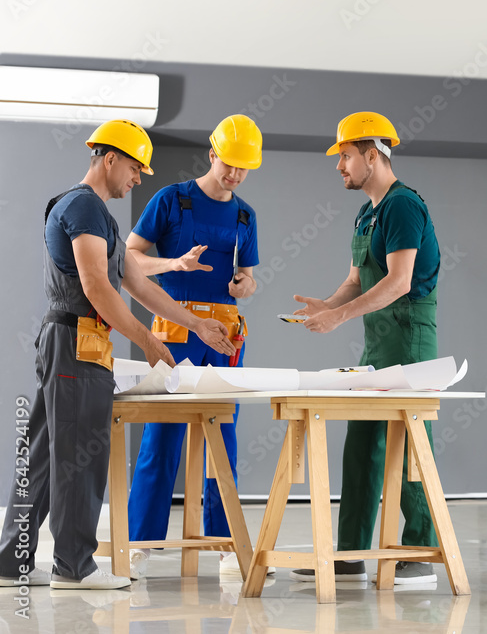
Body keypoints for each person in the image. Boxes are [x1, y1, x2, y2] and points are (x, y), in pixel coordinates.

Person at [0, 120, 235, 590]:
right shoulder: (84, 207)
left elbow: (137, 283)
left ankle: (11, 560)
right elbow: (96, 287)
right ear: (109, 159)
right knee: (77, 454)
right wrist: (148, 342)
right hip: (77, 344)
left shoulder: (98, 216)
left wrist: (195, 325)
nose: (139, 176)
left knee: (46, 455)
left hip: (70, 343)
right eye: (134, 165)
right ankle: (74, 567)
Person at [291, 111, 442, 585]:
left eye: (346, 156)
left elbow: (398, 283)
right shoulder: (367, 212)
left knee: (410, 444)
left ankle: (420, 552)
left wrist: (339, 316)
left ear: (371, 155)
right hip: (377, 340)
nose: (339, 166)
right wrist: (328, 304)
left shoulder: (402, 207)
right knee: (362, 443)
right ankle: (351, 551)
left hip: (409, 336)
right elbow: (357, 279)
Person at [124, 114, 262, 579]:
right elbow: (130, 259)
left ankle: (226, 544)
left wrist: (246, 283)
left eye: (244, 169)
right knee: (161, 435)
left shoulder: (246, 215)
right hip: (174, 330)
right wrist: (175, 264)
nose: (235, 175)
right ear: (212, 154)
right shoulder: (170, 200)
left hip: (224, 336)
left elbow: (248, 276)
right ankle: (140, 542)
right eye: (229, 164)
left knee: (222, 436)